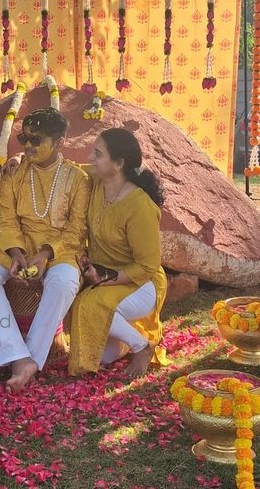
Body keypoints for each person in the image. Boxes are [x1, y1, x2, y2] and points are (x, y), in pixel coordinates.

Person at [0, 107, 91, 392]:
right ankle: (17, 354)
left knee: (64, 281)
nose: (27, 145)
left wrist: (46, 254)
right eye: (24, 138)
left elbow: (77, 229)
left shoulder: (77, 179)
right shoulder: (15, 172)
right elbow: (4, 218)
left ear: (60, 142)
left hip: (59, 250)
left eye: (37, 140)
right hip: (16, 245)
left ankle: (28, 359)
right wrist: (15, 252)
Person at [68, 128, 167, 378]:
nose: (90, 158)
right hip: (104, 277)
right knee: (101, 356)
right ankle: (126, 340)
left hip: (142, 283)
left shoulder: (140, 206)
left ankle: (142, 346)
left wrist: (105, 277)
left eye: (98, 154)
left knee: (88, 303)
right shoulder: (96, 182)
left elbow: (147, 266)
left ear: (119, 163)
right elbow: (67, 168)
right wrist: (19, 159)